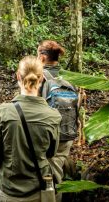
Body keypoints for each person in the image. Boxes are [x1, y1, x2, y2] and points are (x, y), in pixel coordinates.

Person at [0, 56, 61, 201]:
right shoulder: (53, 116)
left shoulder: (3, 112)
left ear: (18, 76)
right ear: (42, 78)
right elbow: (51, 153)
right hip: (39, 191)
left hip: (8, 191)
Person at [37, 40, 78, 183]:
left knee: (48, 176)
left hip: (47, 135)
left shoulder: (39, 77)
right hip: (67, 131)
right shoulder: (70, 78)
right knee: (56, 170)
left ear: (42, 57)